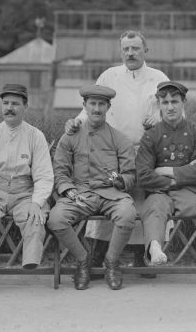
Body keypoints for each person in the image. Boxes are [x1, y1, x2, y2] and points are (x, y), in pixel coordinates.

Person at [64, 30, 169, 272]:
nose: (130, 53)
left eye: (135, 48)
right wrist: (76, 123)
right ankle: (98, 258)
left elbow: (175, 110)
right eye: (126, 49)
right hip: (111, 151)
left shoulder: (158, 78)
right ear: (120, 51)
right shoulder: (109, 75)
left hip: (147, 151)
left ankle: (142, 259)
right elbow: (91, 107)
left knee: (142, 201)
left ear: (146, 50)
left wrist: (159, 116)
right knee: (108, 197)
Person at [48, 85, 137, 290]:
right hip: (80, 194)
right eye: (92, 104)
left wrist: (119, 180)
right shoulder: (70, 136)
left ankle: (112, 262)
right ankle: (82, 260)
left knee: (127, 214)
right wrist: (69, 191)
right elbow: (60, 171)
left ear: (108, 107)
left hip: (111, 194)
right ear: (85, 106)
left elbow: (130, 175)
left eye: (101, 104)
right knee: (56, 218)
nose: (96, 109)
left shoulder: (119, 139)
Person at [0, 84, 53, 272]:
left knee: (35, 219)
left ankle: (30, 261)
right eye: (5, 103)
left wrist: (36, 203)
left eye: (15, 103)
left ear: (25, 107)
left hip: (25, 192)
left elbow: (44, 175)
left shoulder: (35, 136)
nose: (9, 108)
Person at [135, 81, 196, 265]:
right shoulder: (151, 135)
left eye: (174, 102)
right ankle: (154, 247)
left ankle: (156, 238)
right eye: (165, 102)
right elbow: (143, 175)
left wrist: (164, 170)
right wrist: (178, 178)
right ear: (159, 105)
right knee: (155, 206)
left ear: (183, 102)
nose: (170, 107)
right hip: (160, 191)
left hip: (189, 194)